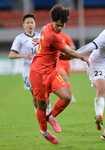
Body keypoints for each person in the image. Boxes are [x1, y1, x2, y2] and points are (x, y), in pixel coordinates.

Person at [30, 4, 89, 144]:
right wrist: (82, 57)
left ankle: (51, 117)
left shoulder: (46, 28)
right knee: (42, 105)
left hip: (51, 71)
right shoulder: (53, 35)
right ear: (52, 21)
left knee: (67, 97)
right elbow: (69, 52)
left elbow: (43, 36)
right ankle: (44, 131)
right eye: (57, 25)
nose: (60, 28)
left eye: (62, 25)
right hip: (38, 73)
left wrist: (41, 42)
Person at [8, 14, 52, 115]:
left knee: (46, 93)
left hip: (42, 68)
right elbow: (11, 55)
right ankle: (38, 114)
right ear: (23, 25)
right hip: (29, 69)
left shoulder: (40, 36)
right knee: (35, 94)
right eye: (27, 23)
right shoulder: (20, 38)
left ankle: (49, 114)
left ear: (35, 24)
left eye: (32, 22)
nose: (30, 25)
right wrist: (24, 55)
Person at [57, 33, 77, 103]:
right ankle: (69, 96)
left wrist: (65, 48)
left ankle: (67, 95)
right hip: (57, 60)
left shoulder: (66, 36)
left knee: (66, 80)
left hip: (66, 61)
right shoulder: (52, 36)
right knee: (64, 77)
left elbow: (73, 47)